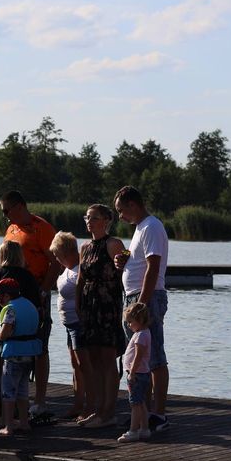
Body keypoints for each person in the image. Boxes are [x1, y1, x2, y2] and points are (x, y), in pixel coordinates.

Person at [0, 190, 60, 422]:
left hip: (36, 292)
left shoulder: (41, 228)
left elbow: (55, 262)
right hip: (13, 295)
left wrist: (43, 290)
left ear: (20, 206)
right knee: (13, 343)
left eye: (7, 211)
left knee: (39, 345)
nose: (5, 216)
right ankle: (13, 399)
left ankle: (40, 400)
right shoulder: (11, 230)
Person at [114, 186, 171, 433]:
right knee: (141, 358)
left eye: (121, 210)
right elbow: (139, 260)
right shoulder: (140, 228)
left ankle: (159, 414)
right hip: (135, 297)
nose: (120, 216)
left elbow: (153, 266)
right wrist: (123, 260)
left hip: (146, 299)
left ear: (133, 205)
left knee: (154, 356)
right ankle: (143, 412)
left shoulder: (151, 226)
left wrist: (142, 303)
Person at [75, 204, 127, 429]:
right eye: (87, 218)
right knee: (92, 360)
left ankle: (109, 411)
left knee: (107, 359)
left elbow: (126, 265)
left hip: (107, 306)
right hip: (89, 307)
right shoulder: (85, 246)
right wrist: (77, 303)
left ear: (106, 220)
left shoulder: (113, 243)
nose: (89, 222)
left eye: (93, 218)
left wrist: (125, 257)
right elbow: (80, 277)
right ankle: (96, 409)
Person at [0, 242, 40, 424]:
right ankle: (18, 415)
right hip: (22, 336)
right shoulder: (28, 277)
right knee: (20, 378)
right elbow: (35, 305)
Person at [0, 278, 41, 436]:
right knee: (23, 390)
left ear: (6, 295)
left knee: (8, 391)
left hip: (13, 354)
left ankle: (8, 426)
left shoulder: (10, 308)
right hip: (30, 354)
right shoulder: (29, 304)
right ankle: (24, 423)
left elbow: (5, 332)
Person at [49, 231, 86, 420]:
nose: (56, 259)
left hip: (78, 324)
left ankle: (87, 405)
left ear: (66, 252)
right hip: (68, 324)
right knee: (75, 365)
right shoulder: (67, 269)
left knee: (83, 365)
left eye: (57, 255)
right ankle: (78, 403)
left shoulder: (80, 269)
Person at [118, 302, 152, 443]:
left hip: (136, 374)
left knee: (135, 404)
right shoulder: (145, 333)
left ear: (140, 320)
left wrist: (131, 372)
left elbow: (138, 355)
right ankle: (144, 429)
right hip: (143, 373)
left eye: (130, 322)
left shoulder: (139, 336)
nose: (129, 325)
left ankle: (133, 430)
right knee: (141, 402)